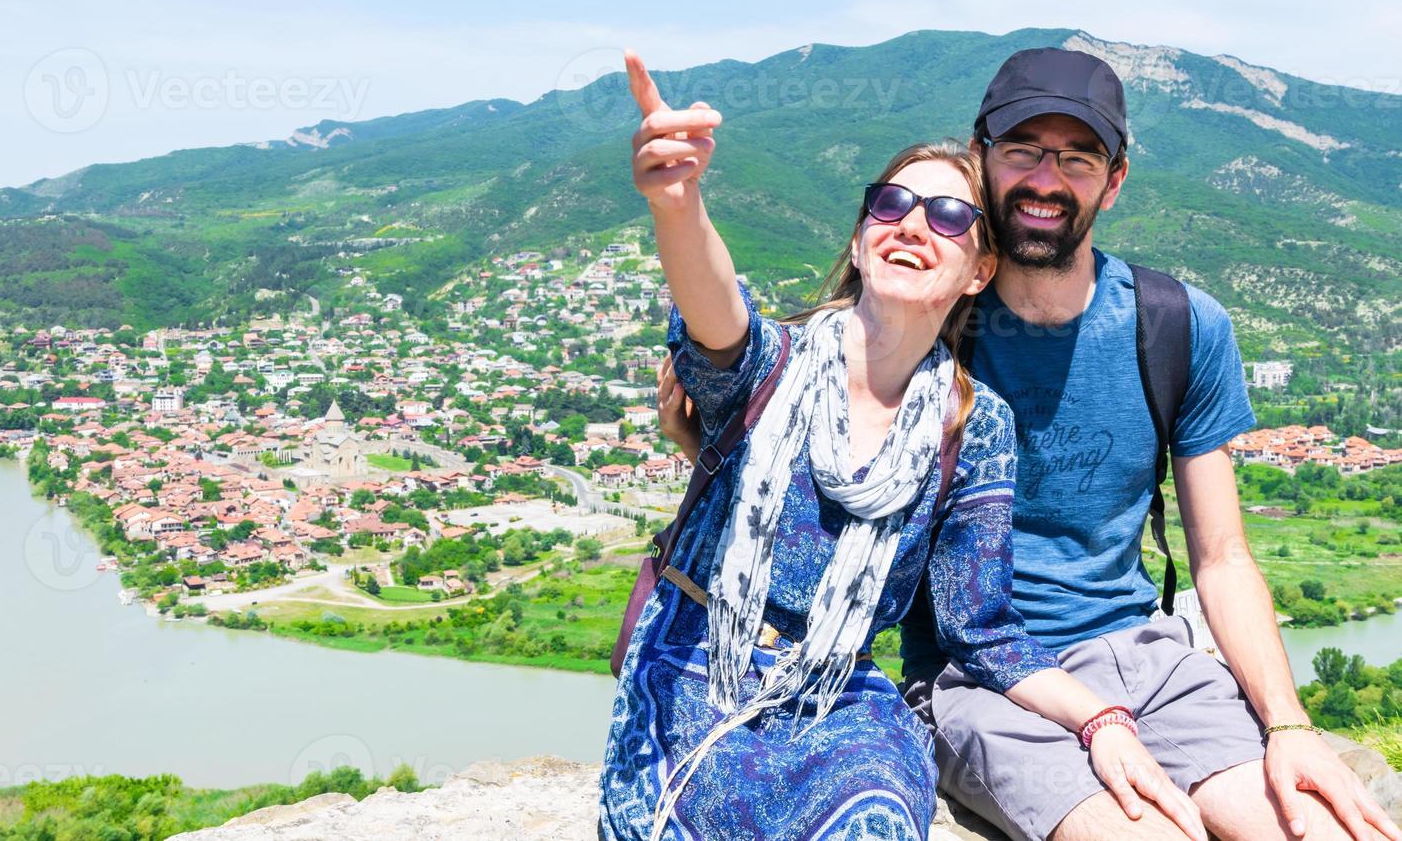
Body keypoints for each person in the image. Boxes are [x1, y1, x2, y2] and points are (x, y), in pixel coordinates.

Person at [656, 47, 1402, 841]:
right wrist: (679, 218)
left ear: (1113, 181)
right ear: (983, 162)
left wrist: (1288, 727)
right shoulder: (930, 326)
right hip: (981, 680)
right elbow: (775, 382)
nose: (1046, 180)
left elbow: (1222, 557)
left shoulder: (1178, 326)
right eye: (1022, 153)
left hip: (1151, 657)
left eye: (1077, 159)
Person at [599, 52, 1206, 841]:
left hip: (833, 694)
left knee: (878, 818)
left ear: (979, 269)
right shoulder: (771, 366)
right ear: (858, 242)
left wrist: (1104, 721)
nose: (916, 225)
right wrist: (679, 203)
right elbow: (717, 316)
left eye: (951, 217)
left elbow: (979, 626)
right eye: (892, 205)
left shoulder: (972, 424)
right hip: (691, 670)